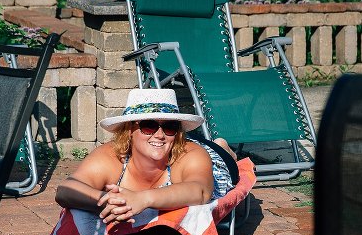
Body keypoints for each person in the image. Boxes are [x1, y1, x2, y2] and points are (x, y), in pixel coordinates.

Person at [55, 88, 237, 225]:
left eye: (169, 126)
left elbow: (200, 192)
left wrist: (142, 199)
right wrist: (107, 200)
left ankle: (222, 146)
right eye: (148, 126)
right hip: (170, 149)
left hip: (213, 160)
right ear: (129, 130)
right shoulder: (112, 155)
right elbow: (65, 190)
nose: (159, 134)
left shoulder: (189, 154)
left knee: (219, 151)